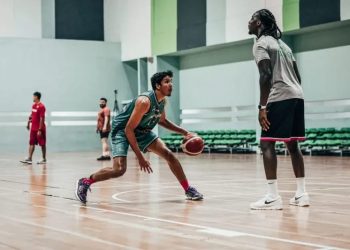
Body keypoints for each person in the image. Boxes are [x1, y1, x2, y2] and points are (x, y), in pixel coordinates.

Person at [75, 71, 203, 203]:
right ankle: (85, 181)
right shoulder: (144, 101)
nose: (171, 85)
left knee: (169, 155)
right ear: (158, 86)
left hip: (142, 131)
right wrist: (140, 158)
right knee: (119, 170)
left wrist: (184, 132)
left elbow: (162, 120)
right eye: (167, 82)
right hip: (122, 131)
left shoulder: (162, 101)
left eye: (171, 81)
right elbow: (129, 129)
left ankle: (188, 189)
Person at [248, 9, 309, 210]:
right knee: (292, 145)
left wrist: (262, 107)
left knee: (266, 144)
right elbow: (298, 76)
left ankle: (272, 197)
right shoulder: (284, 46)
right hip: (297, 95)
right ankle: (301, 194)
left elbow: (265, 75)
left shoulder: (261, 44)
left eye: (252, 19)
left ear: (259, 24)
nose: (248, 22)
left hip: (280, 96)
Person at [20, 92, 47, 165]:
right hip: (33, 129)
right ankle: (29, 159)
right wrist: (28, 123)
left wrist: (40, 129)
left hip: (39, 129)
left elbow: (42, 119)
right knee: (31, 143)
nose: (33, 98)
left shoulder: (42, 107)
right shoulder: (33, 106)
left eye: (33, 96)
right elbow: (32, 115)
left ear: (37, 97)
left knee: (42, 144)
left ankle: (44, 159)